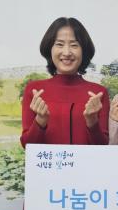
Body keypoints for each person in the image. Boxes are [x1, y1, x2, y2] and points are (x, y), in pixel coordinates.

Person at [20, 17, 109, 147]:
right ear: (49, 48)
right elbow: (27, 146)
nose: (67, 52)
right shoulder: (34, 91)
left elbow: (103, 146)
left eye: (74, 45)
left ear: (84, 50)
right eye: (59, 44)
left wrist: (92, 122)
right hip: (48, 161)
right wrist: (40, 121)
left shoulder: (98, 93)